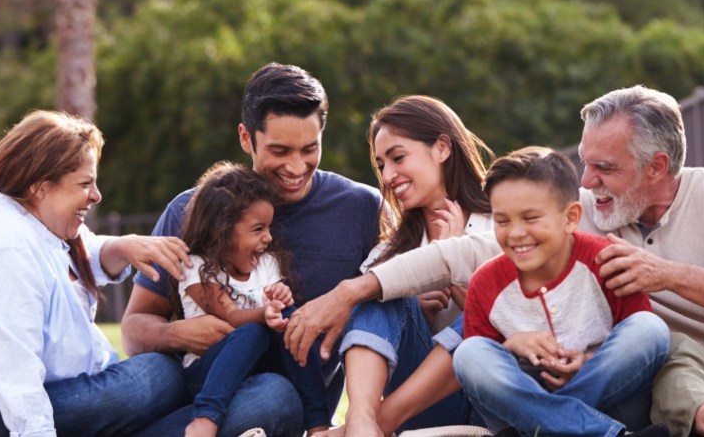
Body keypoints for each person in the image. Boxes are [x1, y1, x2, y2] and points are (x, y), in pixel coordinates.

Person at [285, 85, 704, 437]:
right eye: (586, 162)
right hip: (670, 373)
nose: (589, 180)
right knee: (666, 337)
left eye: (605, 167)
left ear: (657, 167)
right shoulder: (585, 209)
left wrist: (667, 274)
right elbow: (467, 252)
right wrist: (351, 291)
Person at [123, 62, 383, 436]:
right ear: (246, 138)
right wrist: (180, 333)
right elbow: (133, 331)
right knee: (136, 380)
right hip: (199, 384)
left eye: (310, 149)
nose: (297, 166)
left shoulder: (362, 208)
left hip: (285, 400)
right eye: (280, 150)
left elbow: (394, 306)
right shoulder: (191, 209)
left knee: (272, 395)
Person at [0, 110, 194, 436]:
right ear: (39, 188)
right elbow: (18, 378)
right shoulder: (3, 250)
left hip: (48, 398)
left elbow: (81, 252)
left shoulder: (32, 220)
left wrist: (124, 247)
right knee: (158, 375)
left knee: (230, 404)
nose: (96, 195)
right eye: (85, 184)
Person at [453, 146, 670, 437]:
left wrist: (589, 362)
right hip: (525, 396)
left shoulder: (604, 260)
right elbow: (485, 374)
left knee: (650, 329)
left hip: (605, 398)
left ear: (571, 217)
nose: (515, 233)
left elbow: (635, 343)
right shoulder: (485, 283)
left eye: (530, 218)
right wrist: (512, 345)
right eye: (502, 221)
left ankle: (550, 426)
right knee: (469, 353)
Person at [327, 95, 494, 437]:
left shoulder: (501, 224)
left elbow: (511, 325)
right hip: (424, 410)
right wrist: (414, 316)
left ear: (442, 148)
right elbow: (368, 326)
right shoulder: (389, 252)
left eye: (398, 157)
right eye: (381, 164)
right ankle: (361, 422)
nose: (387, 176)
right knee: (380, 290)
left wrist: (451, 265)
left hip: (493, 401)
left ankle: (369, 426)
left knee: (481, 308)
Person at [173, 161, 329, 437]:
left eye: (269, 228)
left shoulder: (267, 264)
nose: (268, 237)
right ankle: (205, 418)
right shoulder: (196, 266)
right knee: (253, 332)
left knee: (293, 321)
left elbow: (278, 307)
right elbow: (232, 317)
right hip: (207, 373)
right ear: (222, 230)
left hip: (260, 372)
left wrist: (281, 299)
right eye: (258, 229)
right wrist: (265, 313)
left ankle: (318, 425)